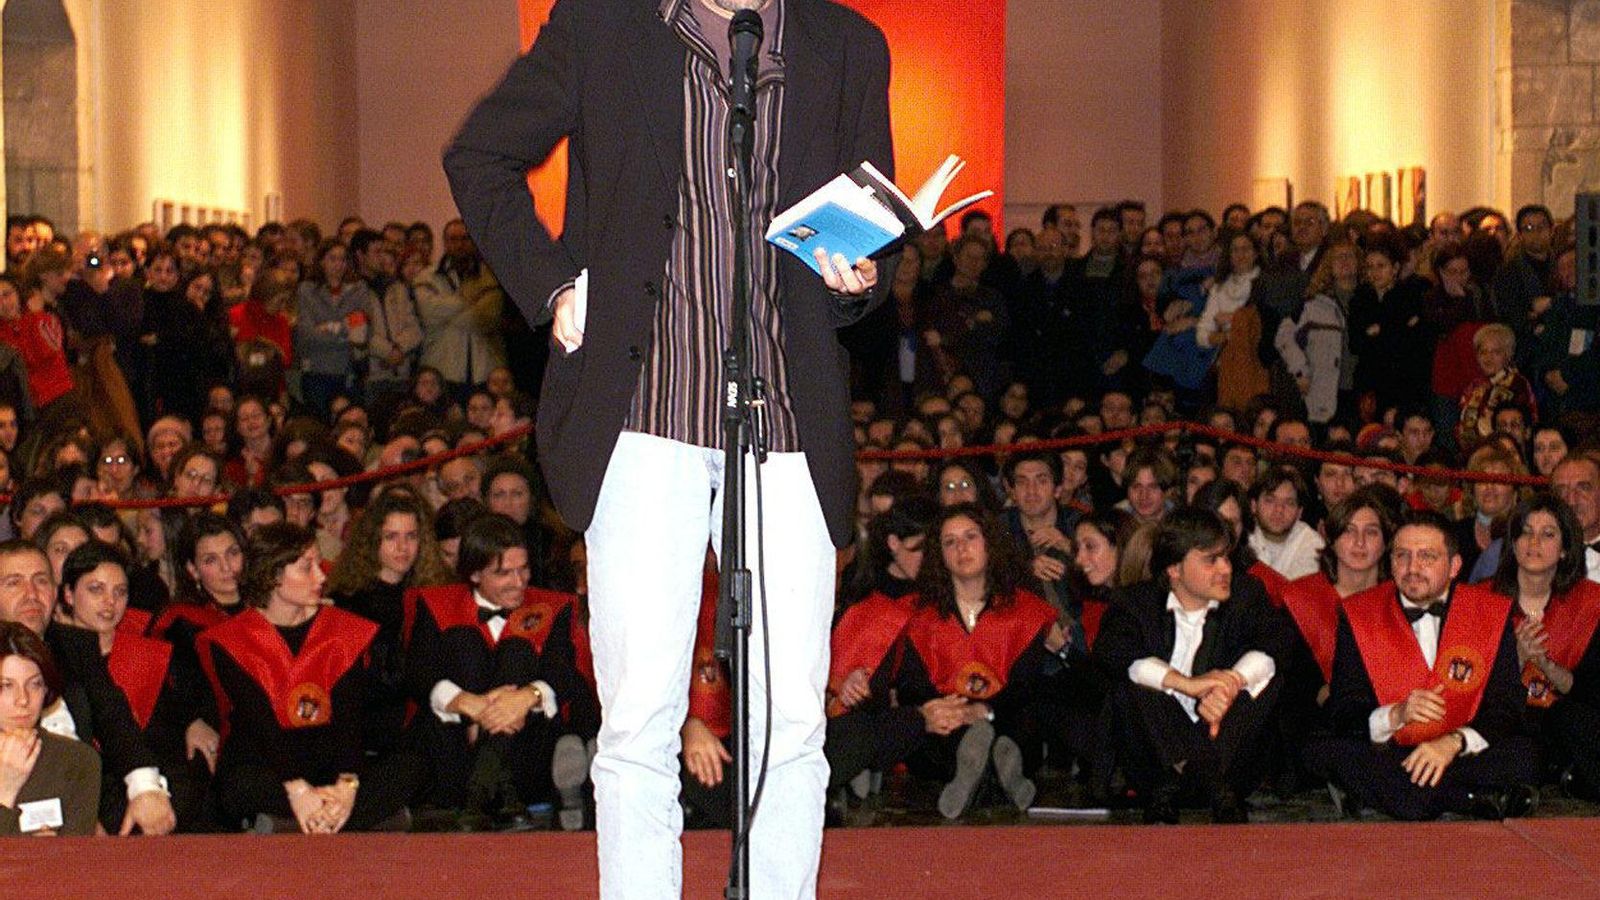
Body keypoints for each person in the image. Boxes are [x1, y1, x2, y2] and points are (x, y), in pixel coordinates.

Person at [446, 0, 893, 886]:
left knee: (792, 721)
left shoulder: (847, 44)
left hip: (787, 422)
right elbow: (479, 154)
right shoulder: (601, 27)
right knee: (639, 723)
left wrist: (861, 279)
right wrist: (550, 285)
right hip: (643, 415)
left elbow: (870, 220)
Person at [1311, 510, 1538, 820]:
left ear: (1454, 566)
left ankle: (1402, 795)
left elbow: (1507, 704)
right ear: (1390, 562)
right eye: (1402, 556)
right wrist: (1396, 714)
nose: (1412, 568)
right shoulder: (1360, 614)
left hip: (1459, 749)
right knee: (1326, 749)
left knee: (1527, 752)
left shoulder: (1490, 612)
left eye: (1427, 557)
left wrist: (1452, 743)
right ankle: (1470, 798)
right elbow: (1345, 708)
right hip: (1394, 748)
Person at [196, 523, 422, 833]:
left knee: (410, 765)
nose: (321, 576)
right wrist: (298, 790)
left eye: (318, 565)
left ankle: (302, 822)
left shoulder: (342, 630)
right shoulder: (233, 639)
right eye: (307, 568)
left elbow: (349, 721)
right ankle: (350, 820)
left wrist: (346, 787)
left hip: (329, 758)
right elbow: (261, 726)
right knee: (238, 786)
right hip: (269, 760)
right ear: (274, 577)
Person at [401, 513, 596, 830]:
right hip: (455, 754)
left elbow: (563, 674)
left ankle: (480, 793)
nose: (519, 582)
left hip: (527, 756)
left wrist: (526, 697)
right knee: (465, 642)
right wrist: (470, 704)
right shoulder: (435, 605)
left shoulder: (553, 606)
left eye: (524, 569)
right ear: (475, 574)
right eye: (504, 573)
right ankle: (495, 789)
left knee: (517, 651)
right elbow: (419, 675)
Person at [1094, 508, 1288, 823]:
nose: (1225, 568)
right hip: (1158, 774)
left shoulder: (1247, 594)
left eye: (1226, 557)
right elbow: (1113, 652)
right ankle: (1198, 778)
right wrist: (1185, 684)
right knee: (1136, 681)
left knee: (1264, 678)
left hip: (1227, 764)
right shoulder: (1135, 602)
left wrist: (1229, 684)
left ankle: (1205, 776)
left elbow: (1276, 645)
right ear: (1174, 568)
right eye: (1211, 560)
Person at [891, 504, 1063, 818]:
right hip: (946, 719)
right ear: (939, 555)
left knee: (1019, 725)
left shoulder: (1025, 610)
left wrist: (984, 710)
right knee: (930, 731)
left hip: (1004, 714)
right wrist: (952, 711)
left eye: (970, 537)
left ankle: (989, 773)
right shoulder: (918, 615)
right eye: (950, 542)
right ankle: (992, 778)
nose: (961, 548)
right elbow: (912, 686)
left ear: (989, 543)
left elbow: (1026, 686)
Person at [59, 542, 219, 830]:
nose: (109, 602)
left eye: (120, 592)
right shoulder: (54, 654)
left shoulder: (148, 652)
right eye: (96, 590)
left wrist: (192, 720)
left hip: (148, 773)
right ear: (69, 594)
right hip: (88, 781)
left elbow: (174, 721)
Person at [1489, 494, 1600, 799]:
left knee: (1573, 718)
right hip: (1506, 720)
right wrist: (1516, 659)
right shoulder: (1482, 601)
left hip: (1565, 719)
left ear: (1565, 549)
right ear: (1513, 544)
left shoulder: (1590, 603)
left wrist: (1548, 667)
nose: (1534, 542)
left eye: (1548, 534)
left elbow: (1591, 689)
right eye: (1525, 532)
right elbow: (1468, 686)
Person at [0, 620, 101, 836]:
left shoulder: (77, 762)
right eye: (6, 686)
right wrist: (5, 790)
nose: (23, 699)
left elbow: (73, 854)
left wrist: (47, 852)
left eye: (35, 684)